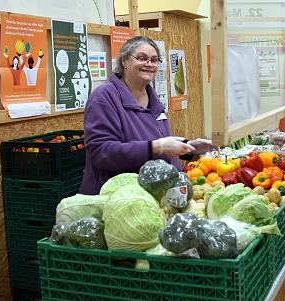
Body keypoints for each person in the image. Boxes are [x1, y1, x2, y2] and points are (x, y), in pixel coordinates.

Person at [80, 36, 216, 195]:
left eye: (154, 60)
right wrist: (158, 147)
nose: (149, 64)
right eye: (142, 58)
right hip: (117, 198)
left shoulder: (152, 98)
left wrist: (190, 147)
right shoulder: (104, 97)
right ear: (124, 61)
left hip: (154, 192)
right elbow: (102, 152)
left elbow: (157, 138)